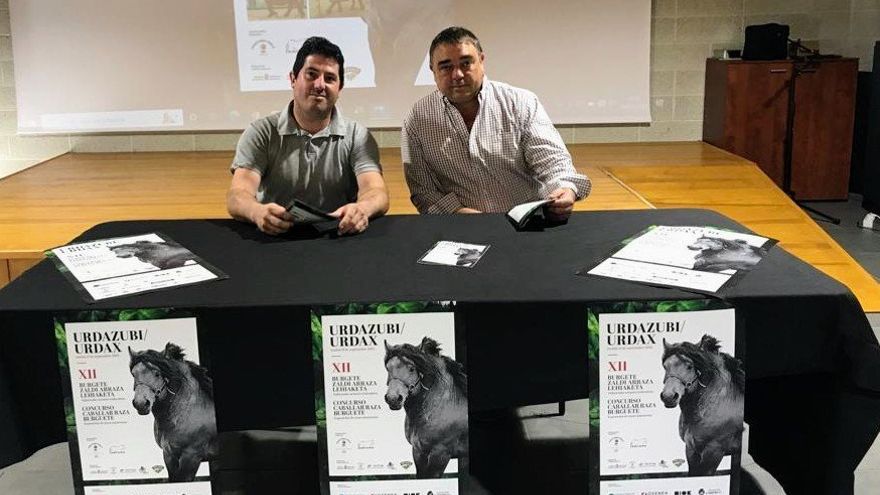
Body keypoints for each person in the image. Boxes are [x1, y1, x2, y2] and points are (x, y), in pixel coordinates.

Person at [402, 27, 590, 218]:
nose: (457, 74)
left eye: (466, 63)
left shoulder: (521, 102)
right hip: (460, 226)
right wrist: (464, 216)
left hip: (528, 223)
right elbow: (424, 191)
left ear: (481, 61)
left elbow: (552, 162)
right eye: (446, 66)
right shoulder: (418, 119)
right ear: (432, 70)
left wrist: (565, 189)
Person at [227, 36, 389, 235]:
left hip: (338, 237)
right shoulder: (261, 132)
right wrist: (256, 212)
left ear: (339, 88)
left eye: (330, 78)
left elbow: (376, 191)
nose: (320, 84)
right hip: (274, 238)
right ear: (293, 79)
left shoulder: (357, 135)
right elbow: (238, 194)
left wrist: (361, 209)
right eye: (311, 74)